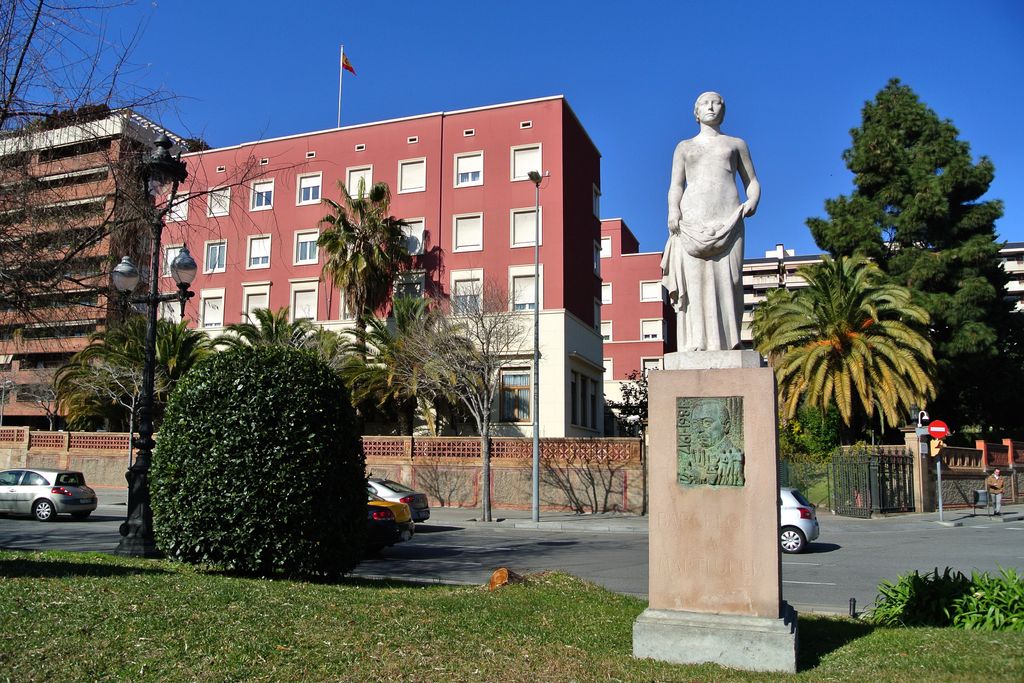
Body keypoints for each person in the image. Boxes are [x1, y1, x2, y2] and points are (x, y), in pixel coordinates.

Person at [662, 91, 760, 351]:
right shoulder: (684, 147)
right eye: (705, 103)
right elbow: (676, 185)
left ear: (723, 110)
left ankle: (730, 342)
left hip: (729, 219)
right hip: (692, 221)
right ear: (696, 112)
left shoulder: (736, 144)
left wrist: (753, 200)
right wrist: (673, 210)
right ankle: (696, 342)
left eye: (716, 102)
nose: (711, 107)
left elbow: (752, 181)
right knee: (695, 283)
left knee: (731, 280)